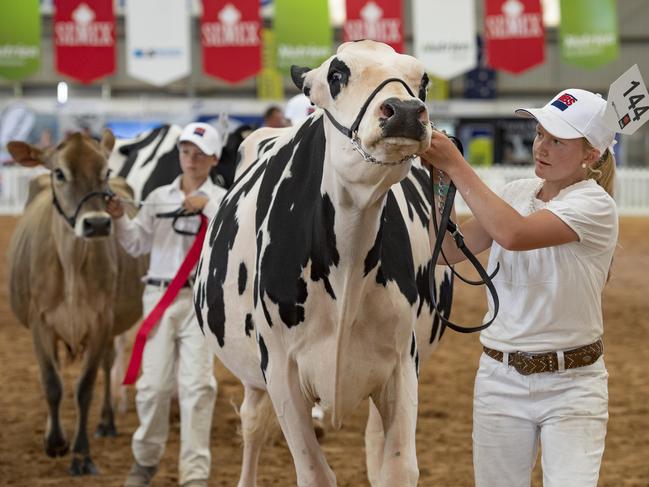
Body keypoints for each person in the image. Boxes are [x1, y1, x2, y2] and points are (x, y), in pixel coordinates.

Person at [420, 89, 618, 487]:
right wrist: (440, 180)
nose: (541, 147)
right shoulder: (515, 193)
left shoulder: (595, 204)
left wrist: (457, 165)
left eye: (558, 140)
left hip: (573, 385)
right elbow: (445, 251)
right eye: (540, 133)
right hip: (500, 378)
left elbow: (513, 233)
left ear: (591, 154)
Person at [107, 122, 227, 487]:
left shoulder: (225, 199)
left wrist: (209, 209)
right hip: (158, 295)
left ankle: (194, 475)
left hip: (200, 302)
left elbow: (231, 244)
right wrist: (118, 220)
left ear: (214, 159)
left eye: (200, 153)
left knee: (197, 388)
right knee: (153, 387)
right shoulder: (158, 197)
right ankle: (144, 460)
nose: (191, 159)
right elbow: (136, 244)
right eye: (186, 152)